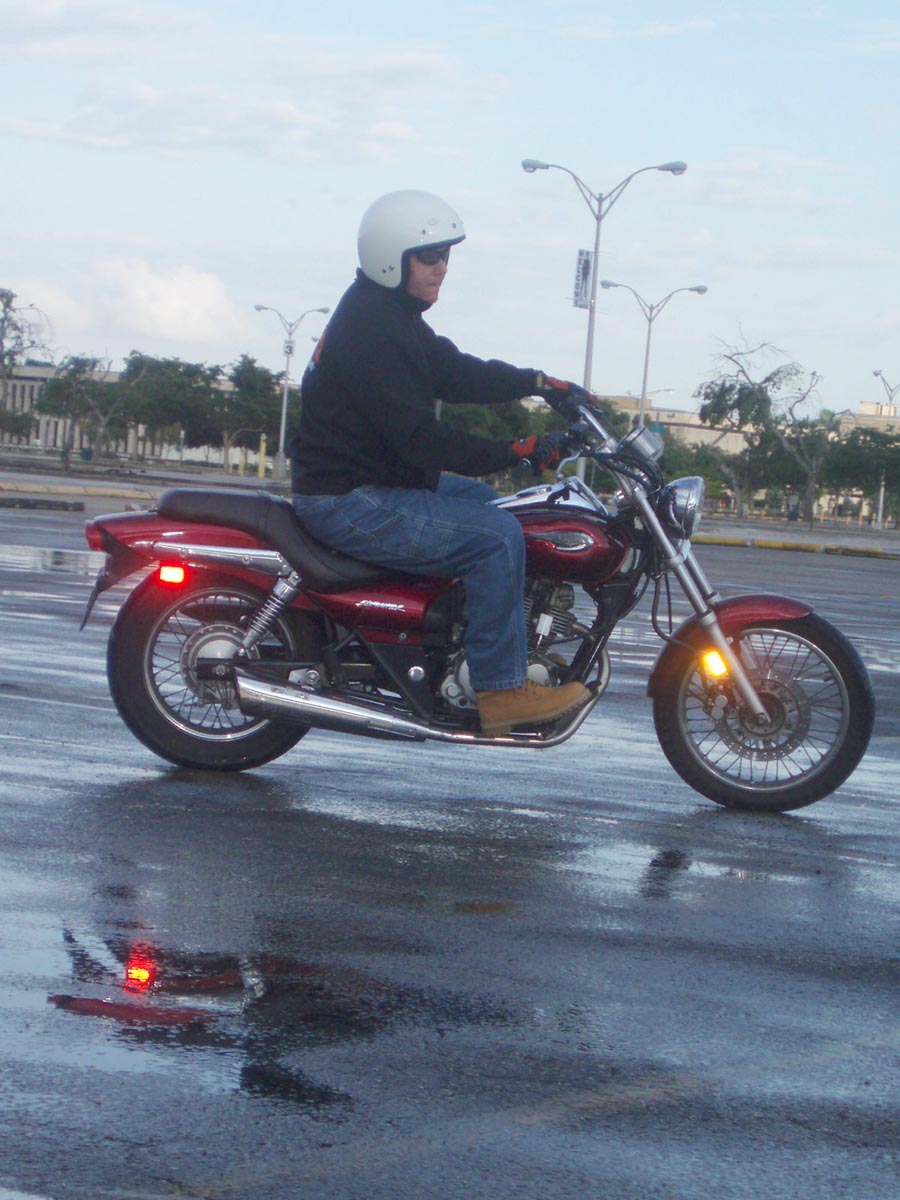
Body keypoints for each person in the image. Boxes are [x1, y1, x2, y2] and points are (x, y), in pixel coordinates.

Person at [289, 188, 591, 738]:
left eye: (446, 255)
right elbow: (420, 442)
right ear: (392, 257)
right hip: (348, 499)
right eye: (430, 256)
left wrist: (539, 383)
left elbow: (454, 372)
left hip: (372, 484)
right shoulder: (373, 329)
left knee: (501, 510)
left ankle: (474, 647)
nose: (443, 267)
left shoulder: (389, 314)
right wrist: (515, 451)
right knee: (497, 537)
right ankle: (501, 691)